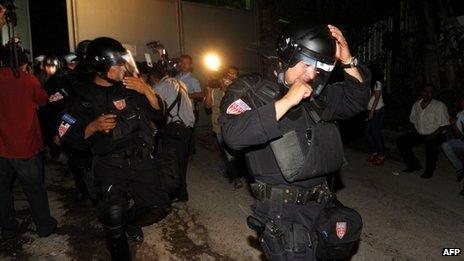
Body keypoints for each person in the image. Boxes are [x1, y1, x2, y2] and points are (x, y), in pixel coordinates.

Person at [220, 21, 370, 260]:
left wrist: (348, 59)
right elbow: (233, 135)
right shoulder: (251, 91)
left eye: (318, 68)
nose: (311, 75)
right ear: (288, 55)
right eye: (306, 64)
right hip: (282, 212)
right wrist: (287, 101)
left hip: (322, 204)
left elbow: (356, 100)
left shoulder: (316, 95)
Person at [59, 37, 170, 260]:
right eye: (117, 64)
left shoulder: (131, 87)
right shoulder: (81, 95)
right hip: (108, 163)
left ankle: (128, 223)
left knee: (157, 206)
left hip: (139, 159)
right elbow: (65, 133)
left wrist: (147, 90)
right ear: (100, 66)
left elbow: (159, 116)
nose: (123, 68)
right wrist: (92, 127)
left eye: (123, 63)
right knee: (114, 214)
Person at [0, 46, 58, 239]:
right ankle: (44, 226)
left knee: (2, 190)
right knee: (34, 188)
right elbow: (43, 100)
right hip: (26, 147)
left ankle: (8, 227)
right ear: (24, 63)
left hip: (1, 148)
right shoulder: (29, 80)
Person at [150, 64, 195, 202]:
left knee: (171, 163)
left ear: (153, 77)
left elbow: (153, 109)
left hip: (175, 130)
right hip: (188, 127)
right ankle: (182, 192)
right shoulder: (180, 83)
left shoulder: (160, 87)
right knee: (182, 162)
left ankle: (174, 193)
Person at [396, 84, 449, 178]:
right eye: (426, 91)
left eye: (430, 92)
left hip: (437, 133)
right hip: (420, 133)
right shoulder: (416, 105)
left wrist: (433, 135)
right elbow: (412, 119)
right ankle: (414, 165)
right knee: (401, 141)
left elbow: (445, 124)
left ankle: (429, 170)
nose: (427, 94)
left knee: (431, 144)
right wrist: (414, 130)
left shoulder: (439, 105)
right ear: (422, 92)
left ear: (433, 94)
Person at [204, 66, 244, 189]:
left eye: (235, 75)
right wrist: (209, 91)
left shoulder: (239, 92)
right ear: (222, 77)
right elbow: (207, 106)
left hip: (234, 126)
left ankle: (236, 175)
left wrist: (229, 90)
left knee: (234, 152)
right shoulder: (215, 91)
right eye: (229, 74)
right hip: (219, 127)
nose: (231, 77)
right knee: (226, 152)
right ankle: (234, 175)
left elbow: (241, 108)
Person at [176, 54, 203, 158]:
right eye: (182, 62)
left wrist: (185, 94)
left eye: (186, 63)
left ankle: (189, 155)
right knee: (180, 132)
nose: (183, 65)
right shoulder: (177, 77)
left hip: (188, 110)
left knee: (189, 133)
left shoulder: (193, 79)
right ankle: (182, 152)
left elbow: (200, 94)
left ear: (190, 65)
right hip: (177, 110)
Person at [441, 97, 464, 196]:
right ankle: (460, 168)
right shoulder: (460, 114)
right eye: (462, 101)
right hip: (462, 141)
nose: (463, 103)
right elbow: (458, 135)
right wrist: (453, 124)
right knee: (446, 145)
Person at [366, 65, 386, 165]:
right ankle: (374, 152)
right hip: (371, 110)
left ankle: (381, 154)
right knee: (369, 132)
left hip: (378, 110)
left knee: (375, 133)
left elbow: (377, 98)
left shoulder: (377, 83)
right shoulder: (369, 83)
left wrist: (371, 112)